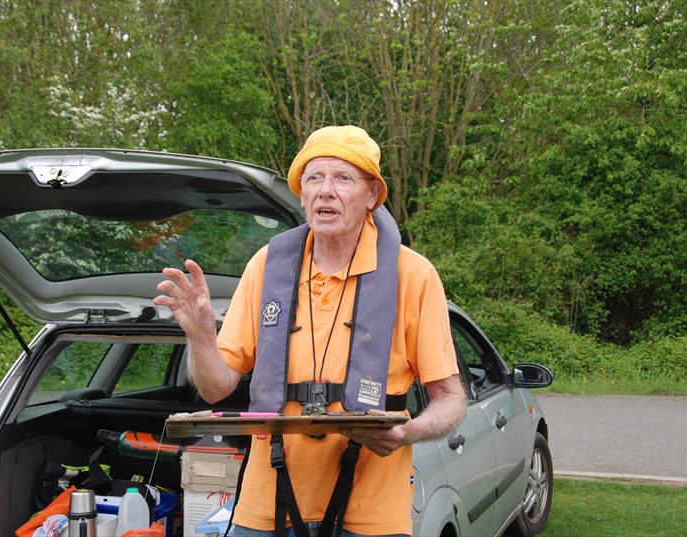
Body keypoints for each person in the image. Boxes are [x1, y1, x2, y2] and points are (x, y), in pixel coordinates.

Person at [154, 125, 466, 537]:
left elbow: (451, 399)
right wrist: (201, 338)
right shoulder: (267, 267)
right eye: (314, 178)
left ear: (372, 195)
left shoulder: (414, 275)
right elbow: (216, 390)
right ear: (302, 195)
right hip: (267, 504)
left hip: (373, 511)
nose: (325, 191)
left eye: (343, 178)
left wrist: (407, 433)